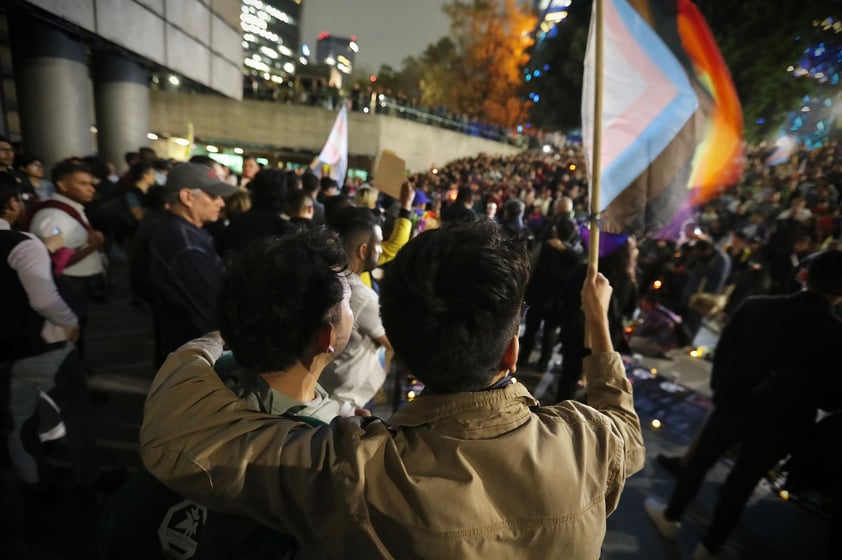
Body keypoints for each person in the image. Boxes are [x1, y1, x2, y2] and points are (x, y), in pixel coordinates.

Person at [140, 220, 645, 558]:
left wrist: (215, 339)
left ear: (396, 347)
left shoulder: (354, 472)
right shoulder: (589, 442)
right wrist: (596, 322)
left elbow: (181, 442)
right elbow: (622, 419)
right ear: (510, 353)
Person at [99, 228, 356, 559]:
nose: (353, 310)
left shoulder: (191, 376)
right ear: (327, 336)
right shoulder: (325, 451)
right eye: (348, 302)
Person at [644, 249, 842, 559]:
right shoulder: (835, 336)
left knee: (699, 463)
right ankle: (710, 546)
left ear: (806, 275)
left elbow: (723, 356)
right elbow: (833, 397)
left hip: (735, 404)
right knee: (741, 486)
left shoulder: (757, 308)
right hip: (784, 423)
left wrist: (724, 392)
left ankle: (671, 516)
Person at [0, 176, 98, 492]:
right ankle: (84, 482)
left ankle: (33, 482)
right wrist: (70, 321)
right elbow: (42, 298)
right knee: (73, 415)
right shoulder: (22, 244)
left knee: (17, 423)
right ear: (13, 203)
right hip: (37, 348)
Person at [147, 161, 238, 367]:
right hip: (194, 351)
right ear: (187, 196)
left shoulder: (183, 231)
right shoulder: (185, 245)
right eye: (213, 196)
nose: (221, 203)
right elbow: (212, 303)